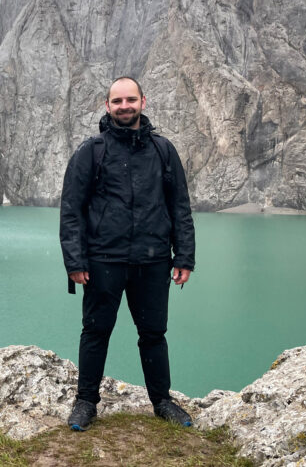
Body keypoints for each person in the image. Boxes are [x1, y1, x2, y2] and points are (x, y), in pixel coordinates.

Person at [59, 76, 196, 431]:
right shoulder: (91, 151)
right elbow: (72, 210)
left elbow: (180, 206)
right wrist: (75, 261)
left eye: (130, 100)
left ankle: (162, 401)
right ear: (107, 106)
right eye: (117, 101)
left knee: (154, 333)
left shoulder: (163, 151)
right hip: (104, 259)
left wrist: (184, 257)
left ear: (143, 102)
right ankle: (85, 402)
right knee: (95, 331)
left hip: (153, 261)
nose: (124, 106)